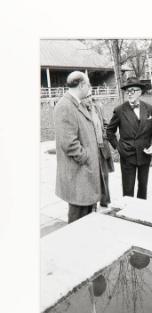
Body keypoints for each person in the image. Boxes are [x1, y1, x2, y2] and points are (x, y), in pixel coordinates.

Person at [54, 71, 101, 223]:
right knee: (78, 220)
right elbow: (69, 143)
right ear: (81, 85)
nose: (89, 87)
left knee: (87, 217)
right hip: (78, 175)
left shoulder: (75, 103)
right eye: (88, 84)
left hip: (84, 174)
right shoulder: (65, 106)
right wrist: (86, 157)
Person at [107, 77, 152, 199]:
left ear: (140, 92)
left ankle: (141, 212)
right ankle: (127, 211)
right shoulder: (120, 110)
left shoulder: (149, 109)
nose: (129, 93)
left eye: (133, 90)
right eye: (127, 91)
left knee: (143, 188)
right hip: (127, 155)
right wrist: (118, 147)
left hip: (145, 154)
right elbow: (109, 131)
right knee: (128, 189)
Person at [83, 94, 114, 207]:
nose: (89, 99)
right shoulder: (81, 111)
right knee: (93, 176)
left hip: (102, 147)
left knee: (104, 175)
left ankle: (105, 200)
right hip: (90, 149)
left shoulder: (98, 108)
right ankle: (93, 204)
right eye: (86, 96)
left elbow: (106, 124)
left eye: (90, 96)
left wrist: (104, 135)